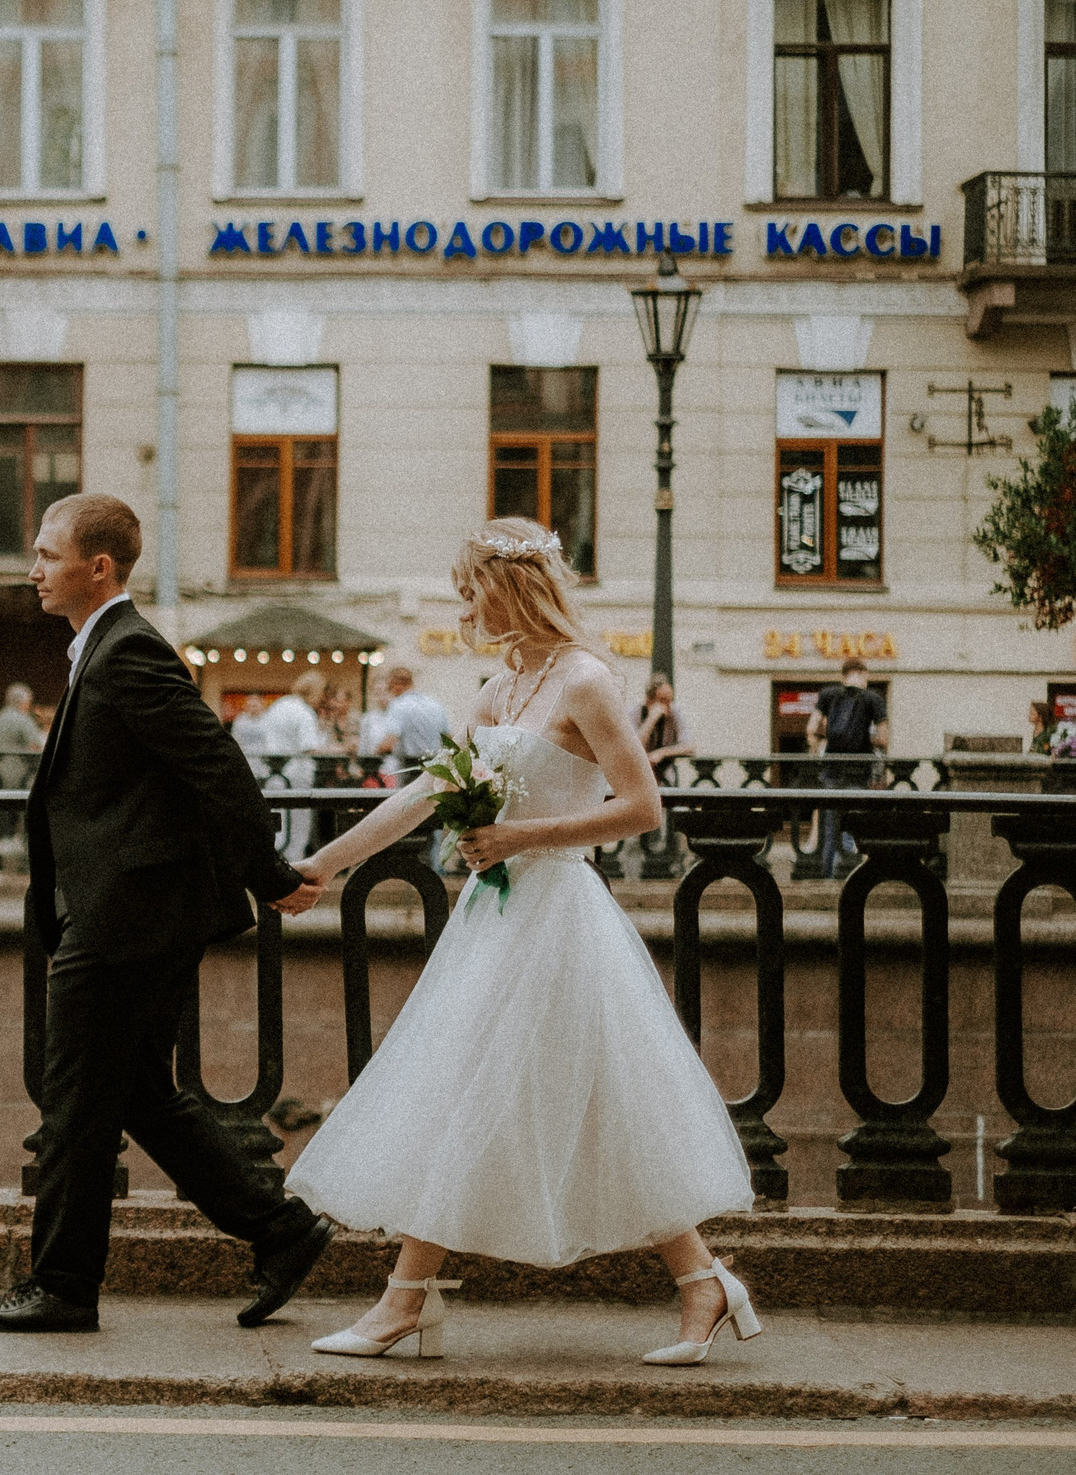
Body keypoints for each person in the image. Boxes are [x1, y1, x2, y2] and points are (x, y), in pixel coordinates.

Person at [283, 518, 758, 1367]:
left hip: (559, 914)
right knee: (476, 1088)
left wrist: (521, 837)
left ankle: (411, 1303)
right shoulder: (500, 688)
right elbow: (426, 793)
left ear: (512, 586)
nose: (466, 607)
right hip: (498, 917)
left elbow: (642, 807)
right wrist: (324, 863)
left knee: (579, 1095)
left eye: (472, 589)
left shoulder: (586, 680)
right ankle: (697, 1281)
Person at [0, 493, 330, 1336]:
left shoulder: (128, 650)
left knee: (74, 1100)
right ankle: (282, 1229)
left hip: (124, 917)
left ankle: (63, 1284)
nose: (33, 569)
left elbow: (218, 766)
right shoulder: (105, 646)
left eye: (48, 554)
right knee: (138, 1095)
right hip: (130, 910)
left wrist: (268, 873)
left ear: (98, 568)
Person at [807, 658, 888, 880]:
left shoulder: (828, 694)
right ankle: (850, 878)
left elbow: (811, 729)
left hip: (832, 769)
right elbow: (884, 738)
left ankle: (828, 877)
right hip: (859, 771)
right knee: (852, 826)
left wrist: (819, 749)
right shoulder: (873, 698)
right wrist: (868, 740)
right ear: (863, 674)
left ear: (843, 676)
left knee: (830, 829)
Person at [377, 665, 455, 870]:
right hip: (437, 766)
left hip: (411, 767)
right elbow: (450, 738)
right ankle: (434, 866)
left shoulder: (399, 706)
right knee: (432, 815)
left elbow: (388, 743)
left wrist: (374, 750)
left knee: (408, 816)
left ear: (395, 684)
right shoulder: (434, 704)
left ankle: (409, 866)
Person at [252, 671, 327, 855]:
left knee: (279, 829)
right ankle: (295, 868)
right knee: (297, 832)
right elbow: (309, 747)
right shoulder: (304, 712)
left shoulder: (278, 706)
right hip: (297, 776)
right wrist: (343, 749)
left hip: (273, 776)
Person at [636, 675, 696, 872]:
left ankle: (673, 860)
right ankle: (645, 859)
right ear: (649, 700)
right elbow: (633, 745)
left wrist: (663, 752)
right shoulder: (636, 712)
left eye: (669, 700)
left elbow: (690, 746)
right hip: (639, 776)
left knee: (672, 816)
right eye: (662, 700)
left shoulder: (675, 712)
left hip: (665, 776)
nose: (667, 706)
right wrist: (652, 718)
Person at [0, 683, 46, 868]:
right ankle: (27, 857)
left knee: (0, 820)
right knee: (27, 815)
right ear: (22, 702)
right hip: (22, 776)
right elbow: (35, 747)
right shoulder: (23, 720)